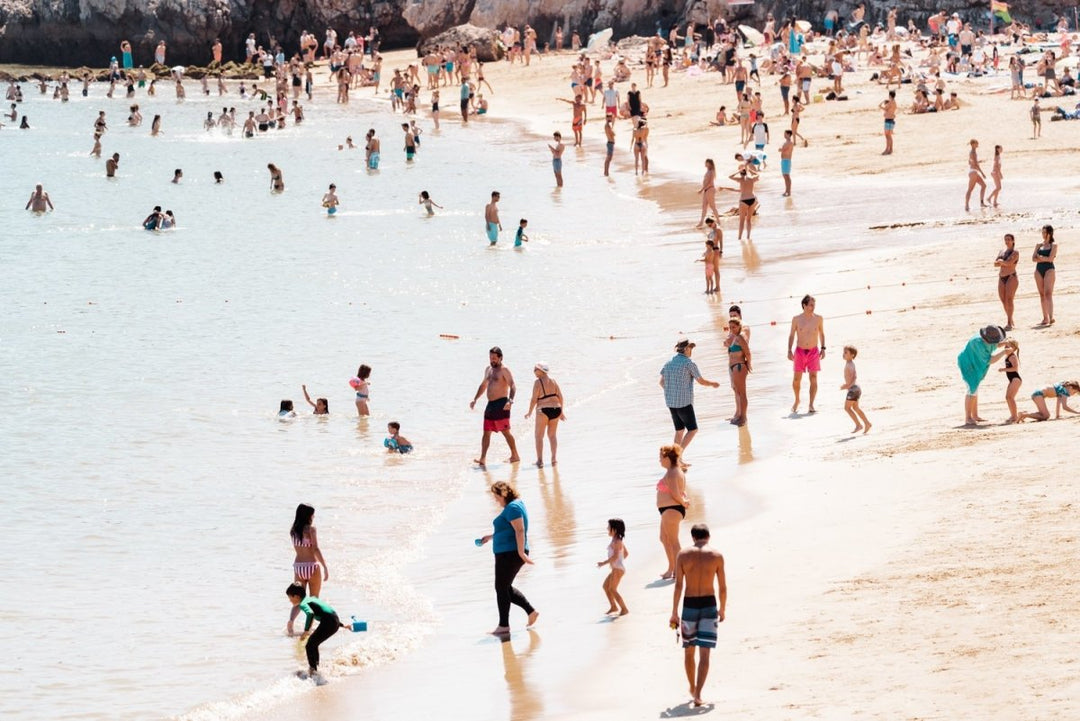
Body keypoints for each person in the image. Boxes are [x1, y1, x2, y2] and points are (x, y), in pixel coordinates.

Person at [670, 523, 726, 708]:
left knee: (689, 649)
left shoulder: (683, 555)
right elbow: (723, 587)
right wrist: (722, 609)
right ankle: (699, 694)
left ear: (693, 537)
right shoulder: (716, 556)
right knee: (705, 653)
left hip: (690, 605)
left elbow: (678, 585)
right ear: (708, 536)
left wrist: (674, 613)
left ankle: (693, 687)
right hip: (709, 604)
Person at [476, 481, 538, 635]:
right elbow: (509, 529)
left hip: (510, 553)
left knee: (501, 588)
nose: (495, 500)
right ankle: (530, 612)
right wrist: (490, 537)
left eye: (496, 496)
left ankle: (504, 625)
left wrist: (521, 553)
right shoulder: (514, 506)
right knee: (504, 587)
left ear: (503, 494)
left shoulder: (513, 508)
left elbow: (520, 530)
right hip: (508, 551)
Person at [660, 339, 720, 455]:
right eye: (691, 348)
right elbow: (701, 381)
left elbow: (661, 382)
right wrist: (713, 384)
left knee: (679, 431)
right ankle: (677, 457)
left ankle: (677, 460)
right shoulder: (689, 363)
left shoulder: (668, 362)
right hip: (684, 403)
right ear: (686, 349)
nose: (691, 351)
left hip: (671, 402)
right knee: (693, 430)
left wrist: (672, 392)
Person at [285, 583, 346, 685]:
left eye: (290, 598)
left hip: (329, 622)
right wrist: (341, 625)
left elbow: (310, 613)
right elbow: (327, 611)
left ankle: (313, 672)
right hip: (334, 620)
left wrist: (306, 631)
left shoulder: (303, 603)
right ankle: (315, 669)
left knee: (309, 645)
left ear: (296, 596)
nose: (290, 600)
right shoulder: (312, 599)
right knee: (313, 643)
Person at [470, 346, 520, 467]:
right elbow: (483, 385)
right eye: (490, 358)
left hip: (502, 404)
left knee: (505, 432)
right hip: (490, 405)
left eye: (494, 358)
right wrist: (475, 399)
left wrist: (510, 400)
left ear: (500, 358)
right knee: (486, 432)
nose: (491, 360)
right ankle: (483, 458)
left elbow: (513, 385)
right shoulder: (488, 369)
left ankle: (515, 455)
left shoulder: (504, 370)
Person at [287, 503, 330, 631]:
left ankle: (291, 621)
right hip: (312, 566)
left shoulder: (293, 531)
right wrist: (325, 566)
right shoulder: (311, 530)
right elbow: (315, 549)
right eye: (312, 514)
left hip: (299, 567)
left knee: (298, 599)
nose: (314, 516)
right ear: (308, 516)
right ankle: (308, 630)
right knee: (313, 600)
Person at [957, 324, 1009, 425]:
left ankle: (975, 415)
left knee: (975, 389)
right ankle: (968, 417)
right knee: (971, 390)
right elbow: (991, 360)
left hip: (974, 363)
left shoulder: (985, 338)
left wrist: (1003, 344)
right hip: (968, 365)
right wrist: (1004, 352)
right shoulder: (977, 343)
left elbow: (993, 344)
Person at [656, 444, 689, 580]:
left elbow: (676, 493)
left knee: (673, 541)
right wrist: (684, 499)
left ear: (668, 458)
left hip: (672, 508)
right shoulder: (673, 471)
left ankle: (678, 569)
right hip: (669, 509)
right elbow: (681, 490)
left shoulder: (673, 472)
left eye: (660, 458)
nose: (659, 461)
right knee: (664, 538)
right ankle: (672, 567)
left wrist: (683, 503)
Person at [787, 294, 825, 414]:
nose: (813, 307)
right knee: (796, 379)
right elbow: (792, 335)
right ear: (804, 305)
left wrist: (823, 348)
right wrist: (789, 350)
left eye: (814, 305)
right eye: (810, 305)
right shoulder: (796, 319)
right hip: (800, 351)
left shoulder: (818, 318)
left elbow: (821, 333)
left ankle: (811, 404)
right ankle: (797, 400)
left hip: (814, 351)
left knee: (813, 378)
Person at [524, 362, 564, 467]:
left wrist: (529, 412)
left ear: (541, 371)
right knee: (552, 435)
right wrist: (562, 412)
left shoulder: (537, 382)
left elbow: (533, 400)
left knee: (538, 436)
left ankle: (540, 461)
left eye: (535, 369)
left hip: (543, 409)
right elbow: (561, 397)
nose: (533, 371)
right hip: (556, 409)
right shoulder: (553, 381)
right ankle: (554, 459)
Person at [597, 518, 629, 616]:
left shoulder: (617, 541)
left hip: (618, 569)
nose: (607, 529)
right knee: (606, 586)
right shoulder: (616, 540)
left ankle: (624, 608)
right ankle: (614, 606)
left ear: (614, 530)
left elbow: (615, 556)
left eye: (609, 527)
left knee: (612, 589)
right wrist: (619, 560)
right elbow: (626, 553)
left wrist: (604, 563)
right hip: (617, 568)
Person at [839, 345, 871, 434]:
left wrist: (847, 385)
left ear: (852, 355)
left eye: (846, 353)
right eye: (843, 352)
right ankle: (867, 423)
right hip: (855, 388)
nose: (843, 354)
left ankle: (858, 425)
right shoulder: (849, 363)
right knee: (856, 408)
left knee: (847, 408)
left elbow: (854, 376)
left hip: (853, 389)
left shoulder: (850, 365)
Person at [726, 317, 751, 426]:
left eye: (734, 327)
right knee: (738, 392)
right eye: (730, 327)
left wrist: (749, 363)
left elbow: (747, 352)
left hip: (739, 367)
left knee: (742, 393)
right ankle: (740, 416)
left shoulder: (740, 337)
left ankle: (743, 418)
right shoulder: (735, 338)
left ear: (739, 327)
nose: (732, 329)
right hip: (734, 367)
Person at [1033, 224, 1057, 326]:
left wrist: (1041, 257)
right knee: (1041, 294)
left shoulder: (1054, 245)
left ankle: (1051, 317)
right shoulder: (1039, 244)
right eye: (1042, 232)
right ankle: (1045, 318)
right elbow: (1034, 258)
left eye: (1044, 232)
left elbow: (1051, 259)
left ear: (1049, 233)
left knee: (1048, 293)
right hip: (1038, 269)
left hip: (1049, 269)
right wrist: (1043, 258)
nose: (1043, 234)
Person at [995, 233, 1020, 330]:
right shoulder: (1002, 251)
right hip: (1001, 277)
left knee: (1009, 299)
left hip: (1011, 277)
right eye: (1006, 239)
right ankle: (1010, 319)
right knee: (1003, 300)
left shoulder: (1015, 252)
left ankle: (1009, 322)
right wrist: (1002, 263)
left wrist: (1002, 262)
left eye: (1009, 239)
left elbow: (1009, 263)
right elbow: (995, 263)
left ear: (1013, 241)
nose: (1007, 241)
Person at [728, 167, 758, 241]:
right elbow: (757, 174)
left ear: (741, 173)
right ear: (746, 173)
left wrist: (738, 171)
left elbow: (730, 176)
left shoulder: (740, 179)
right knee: (748, 220)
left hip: (744, 200)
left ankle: (739, 238)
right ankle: (748, 237)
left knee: (741, 220)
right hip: (752, 199)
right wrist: (750, 169)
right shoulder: (752, 179)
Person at [998, 338, 1022, 423]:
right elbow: (998, 345)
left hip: (1015, 379)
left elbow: (1015, 368)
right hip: (1012, 379)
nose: (1006, 348)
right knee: (1008, 397)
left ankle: (1014, 416)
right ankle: (1013, 415)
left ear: (1014, 349)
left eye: (1008, 346)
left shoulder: (1012, 356)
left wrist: (1003, 369)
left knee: (1010, 397)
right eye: (1005, 346)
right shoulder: (1008, 356)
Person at [964, 139, 987, 211]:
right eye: (977, 143)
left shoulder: (972, 152)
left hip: (974, 172)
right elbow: (976, 164)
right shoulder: (973, 152)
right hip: (973, 172)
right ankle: (966, 205)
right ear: (973, 144)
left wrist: (979, 161)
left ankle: (981, 203)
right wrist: (982, 173)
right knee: (970, 189)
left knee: (983, 185)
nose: (978, 144)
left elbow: (971, 162)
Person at [696, 159, 719, 228]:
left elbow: (709, 182)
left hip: (710, 189)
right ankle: (701, 222)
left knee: (712, 206)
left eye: (706, 162)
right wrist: (703, 189)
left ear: (709, 163)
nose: (705, 164)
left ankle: (718, 221)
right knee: (704, 207)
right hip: (706, 190)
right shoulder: (708, 171)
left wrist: (701, 189)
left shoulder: (711, 171)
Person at [880, 90, 896, 155]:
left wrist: (881, 103)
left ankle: (887, 149)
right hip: (891, 120)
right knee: (890, 136)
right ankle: (891, 149)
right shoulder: (894, 102)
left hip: (888, 120)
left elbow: (885, 109)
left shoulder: (890, 102)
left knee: (887, 136)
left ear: (890, 95)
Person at [779, 130, 794, 197]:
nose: (784, 135)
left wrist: (781, 149)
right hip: (784, 160)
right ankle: (787, 191)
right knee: (785, 176)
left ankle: (788, 191)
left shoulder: (789, 143)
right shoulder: (787, 142)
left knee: (787, 176)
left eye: (785, 134)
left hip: (786, 160)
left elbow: (782, 149)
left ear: (788, 134)